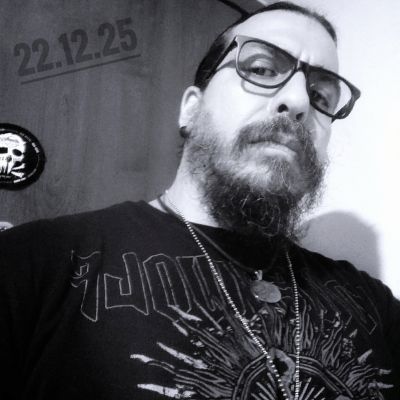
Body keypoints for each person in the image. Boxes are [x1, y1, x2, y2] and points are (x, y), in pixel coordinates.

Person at [1, 2, 399, 399]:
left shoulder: (374, 306)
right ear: (191, 108)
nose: (298, 101)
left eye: (320, 95)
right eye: (262, 69)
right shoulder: (34, 263)